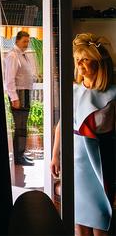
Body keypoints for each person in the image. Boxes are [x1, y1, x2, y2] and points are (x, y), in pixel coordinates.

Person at [50, 33, 116, 236]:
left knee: (100, 225)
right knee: (78, 224)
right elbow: (62, 125)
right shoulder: (73, 90)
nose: (79, 63)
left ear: (99, 63)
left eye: (85, 58)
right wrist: (55, 155)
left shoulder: (113, 94)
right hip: (75, 162)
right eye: (77, 58)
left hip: (101, 162)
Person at [4, 31, 35, 166]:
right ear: (17, 41)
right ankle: (18, 157)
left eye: (28, 42)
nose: (26, 44)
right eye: (24, 41)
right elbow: (9, 79)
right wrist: (14, 98)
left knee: (23, 126)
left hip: (25, 92)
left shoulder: (22, 55)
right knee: (20, 126)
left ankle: (21, 154)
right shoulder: (12, 55)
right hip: (19, 93)